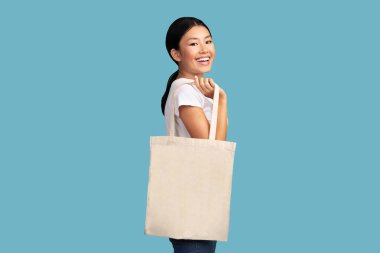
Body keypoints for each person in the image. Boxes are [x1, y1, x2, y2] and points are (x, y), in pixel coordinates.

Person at [161, 17, 228, 253]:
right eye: (193, 44)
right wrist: (221, 101)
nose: (204, 49)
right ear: (176, 54)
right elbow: (213, 151)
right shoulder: (186, 92)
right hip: (193, 204)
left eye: (208, 41)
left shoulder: (192, 90)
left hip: (192, 201)